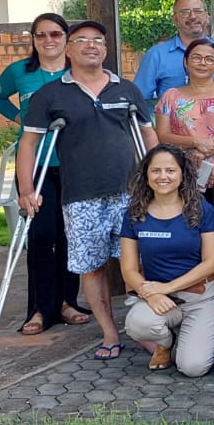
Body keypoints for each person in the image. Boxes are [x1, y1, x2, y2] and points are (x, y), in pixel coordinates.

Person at [19, 20, 156, 360]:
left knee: (140, 261)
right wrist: (26, 188)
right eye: (82, 41)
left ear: (106, 50)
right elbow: (29, 143)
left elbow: (148, 135)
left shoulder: (126, 89)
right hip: (81, 196)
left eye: (98, 41)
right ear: (69, 49)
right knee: (92, 266)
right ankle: (109, 332)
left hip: (130, 193)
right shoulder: (50, 95)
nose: (91, 46)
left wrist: (158, 176)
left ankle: (146, 329)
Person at [0, 11, 88, 335]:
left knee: (69, 237)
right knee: (41, 237)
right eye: (41, 35)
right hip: (35, 165)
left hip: (73, 166)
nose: (48, 40)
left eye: (55, 34)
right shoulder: (21, 71)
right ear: (33, 39)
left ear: (66, 38)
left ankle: (66, 303)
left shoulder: (79, 73)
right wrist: (20, 117)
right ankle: (39, 309)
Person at [119, 144, 214, 375]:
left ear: (182, 174)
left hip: (202, 295)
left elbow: (212, 263)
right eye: (156, 171)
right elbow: (128, 269)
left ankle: (203, 330)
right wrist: (152, 293)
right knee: (137, 323)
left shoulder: (201, 209)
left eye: (170, 170)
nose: (163, 177)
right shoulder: (134, 213)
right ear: (146, 174)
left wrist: (166, 287)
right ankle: (166, 343)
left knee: (192, 367)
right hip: (161, 298)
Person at [153, 36, 214, 206]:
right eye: (196, 58)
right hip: (188, 169)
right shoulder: (170, 97)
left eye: (209, 59)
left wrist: (210, 149)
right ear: (186, 62)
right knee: (193, 221)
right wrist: (195, 142)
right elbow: (163, 136)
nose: (202, 63)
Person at [134, 0, 214, 102]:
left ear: (207, 17)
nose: (193, 16)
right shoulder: (156, 55)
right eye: (185, 12)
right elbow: (139, 101)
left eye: (198, 11)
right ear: (175, 19)